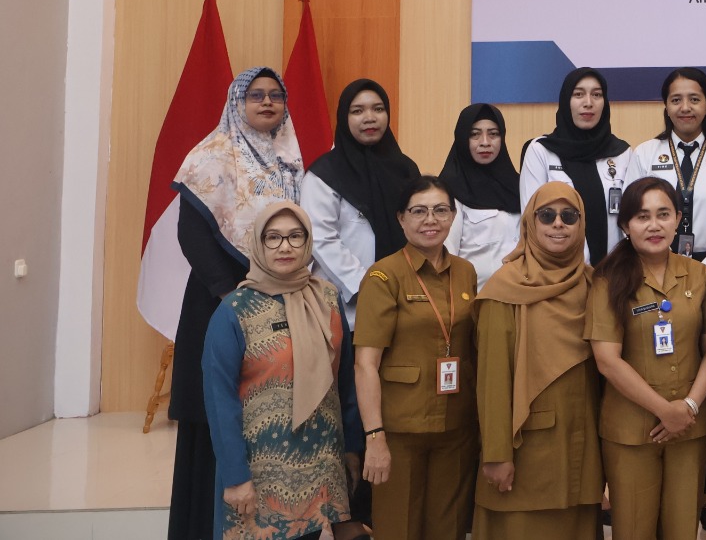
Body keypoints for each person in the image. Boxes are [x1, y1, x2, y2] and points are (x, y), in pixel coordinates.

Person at [167, 67, 303, 540]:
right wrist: (231, 295)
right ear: (236, 103)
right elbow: (192, 234)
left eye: (275, 95)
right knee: (218, 412)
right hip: (220, 300)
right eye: (255, 95)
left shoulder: (289, 160)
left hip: (280, 298)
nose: (266, 102)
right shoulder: (211, 155)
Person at [629, 67, 706, 531]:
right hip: (652, 269)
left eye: (694, 99)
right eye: (676, 99)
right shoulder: (645, 154)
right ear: (665, 105)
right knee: (659, 364)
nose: (685, 107)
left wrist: (700, 272)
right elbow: (634, 215)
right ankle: (653, 475)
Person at [202, 202, 363, 540]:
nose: (285, 246)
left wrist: (352, 447)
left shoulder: (328, 299)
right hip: (258, 472)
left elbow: (344, 382)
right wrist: (235, 476)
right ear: (258, 244)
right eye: (273, 237)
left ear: (308, 241)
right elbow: (219, 401)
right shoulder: (235, 311)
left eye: (295, 236)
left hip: (322, 463)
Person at [588, 178, 706, 540]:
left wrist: (689, 407)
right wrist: (666, 411)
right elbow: (607, 360)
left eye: (663, 214)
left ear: (678, 219)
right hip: (630, 430)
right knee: (634, 529)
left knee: (682, 528)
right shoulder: (607, 280)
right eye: (642, 216)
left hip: (690, 426)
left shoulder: (699, 274)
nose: (654, 225)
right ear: (625, 224)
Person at [472, 182, 604, 539]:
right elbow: (492, 379)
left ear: (582, 224)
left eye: (569, 216)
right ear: (530, 222)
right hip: (524, 453)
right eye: (546, 215)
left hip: (581, 453)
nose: (558, 223)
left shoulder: (593, 284)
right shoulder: (505, 288)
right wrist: (496, 454)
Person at [353, 176, 479, 540]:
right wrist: (374, 437)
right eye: (419, 211)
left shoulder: (466, 272)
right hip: (400, 430)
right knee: (399, 529)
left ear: (453, 216)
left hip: (456, 425)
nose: (430, 220)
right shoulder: (383, 276)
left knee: (448, 529)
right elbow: (365, 364)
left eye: (440, 210)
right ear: (401, 218)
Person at [303, 79, 422, 327]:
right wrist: (367, 284)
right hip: (345, 306)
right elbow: (321, 238)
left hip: (405, 299)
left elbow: (418, 228)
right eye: (357, 111)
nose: (370, 118)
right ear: (344, 117)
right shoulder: (324, 174)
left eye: (378, 109)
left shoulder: (406, 169)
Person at [519, 67, 640, 263]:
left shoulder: (622, 153)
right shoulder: (541, 150)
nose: (588, 103)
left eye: (597, 95)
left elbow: (632, 218)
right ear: (566, 101)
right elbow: (531, 221)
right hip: (559, 270)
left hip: (613, 270)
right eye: (578, 94)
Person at [438, 103, 523, 287]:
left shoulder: (519, 187)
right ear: (462, 139)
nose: (485, 142)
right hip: (473, 297)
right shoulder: (449, 190)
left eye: (493, 134)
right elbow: (445, 255)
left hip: (521, 294)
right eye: (474, 134)